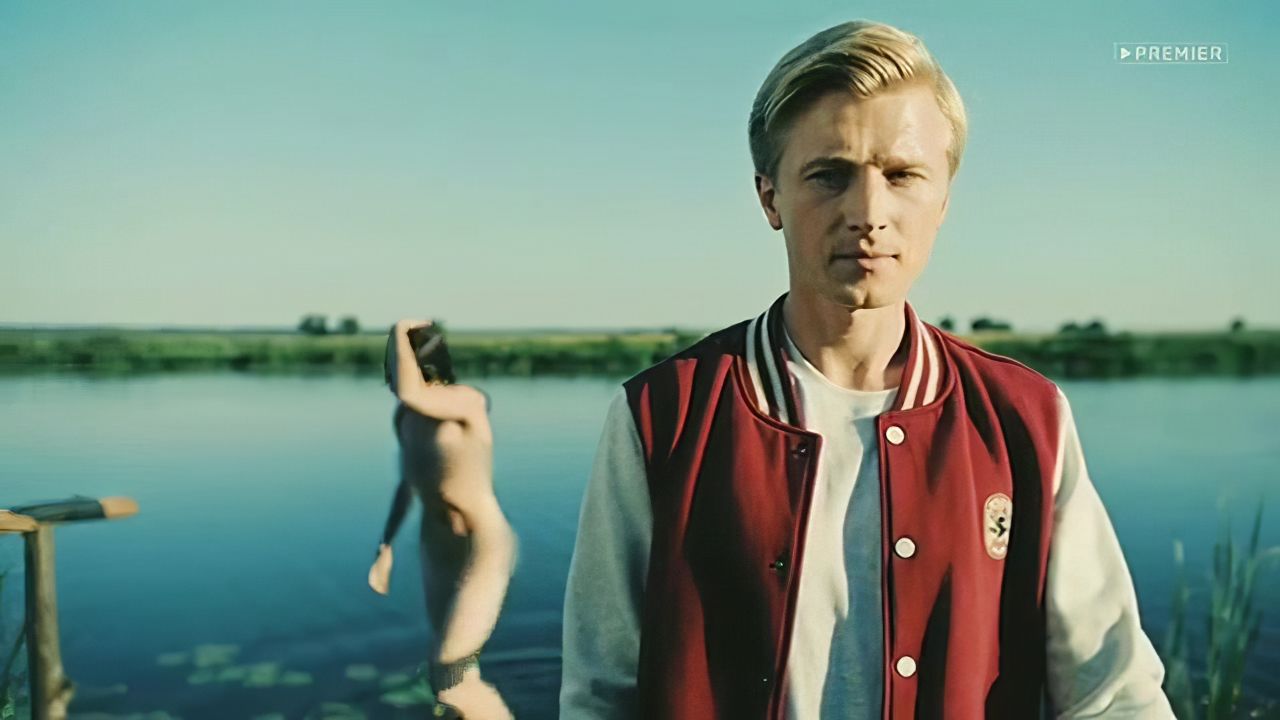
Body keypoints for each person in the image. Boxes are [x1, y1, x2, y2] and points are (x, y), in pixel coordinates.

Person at [560, 20, 1174, 720]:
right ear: (770, 197)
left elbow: (1114, 696)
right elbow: (601, 695)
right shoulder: (661, 418)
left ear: (943, 200)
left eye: (903, 175)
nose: (868, 212)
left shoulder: (1025, 418)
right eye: (829, 175)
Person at [370, 318, 517, 720]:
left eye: (396, 356)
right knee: (451, 671)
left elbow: (411, 390)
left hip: (481, 545)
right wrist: (385, 546)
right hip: (437, 546)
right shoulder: (405, 416)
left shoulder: (467, 402)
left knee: (450, 671)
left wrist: (399, 329)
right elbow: (408, 483)